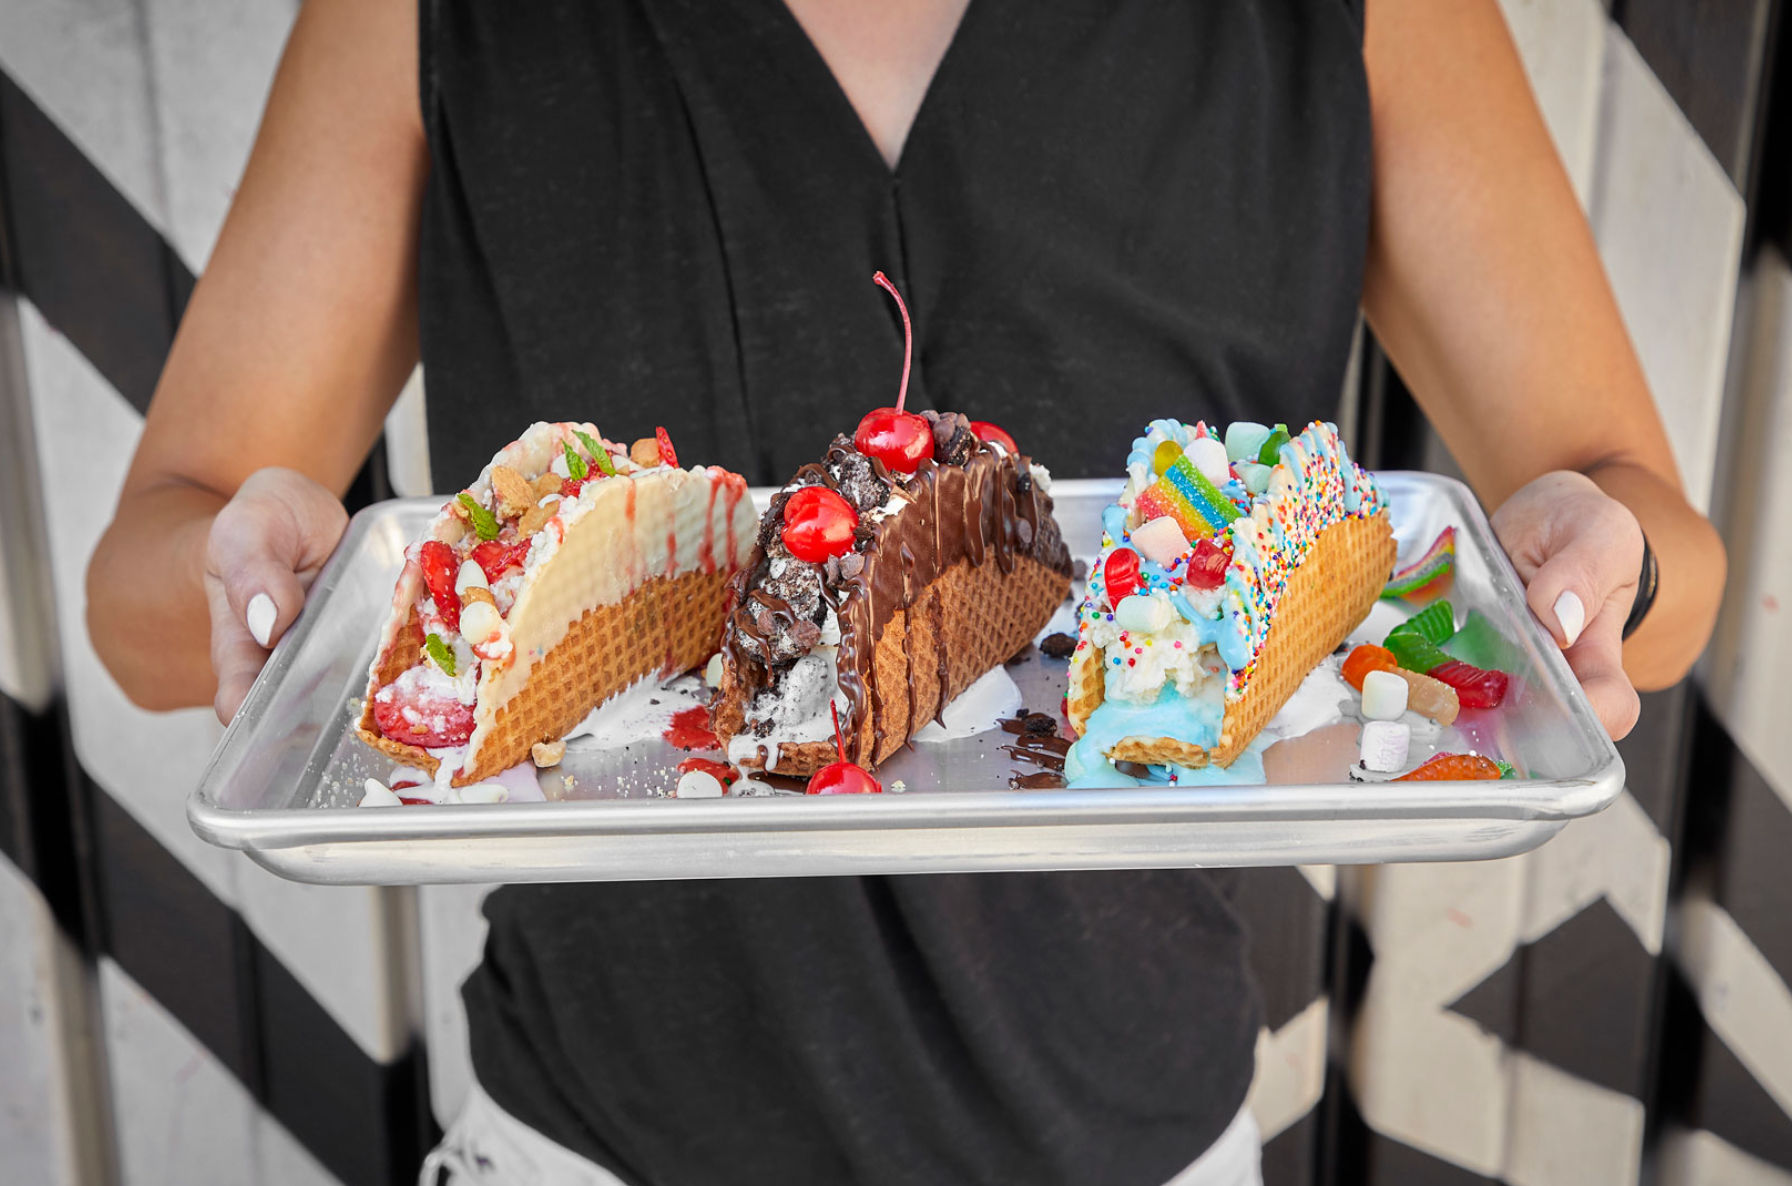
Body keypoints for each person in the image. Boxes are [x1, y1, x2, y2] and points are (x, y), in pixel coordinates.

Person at [88, 0, 1725, 1182]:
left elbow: (1663, 557)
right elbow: (145, 590)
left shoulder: (1374, 20)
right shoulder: (423, 20)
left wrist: (1606, 565)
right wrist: (260, 588)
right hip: (589, 1142)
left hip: (1147, 1145)